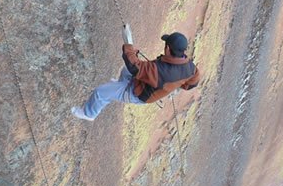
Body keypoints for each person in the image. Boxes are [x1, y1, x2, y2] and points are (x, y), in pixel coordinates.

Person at [71, 24, 200, 121]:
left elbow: (135, 67)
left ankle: (88, 114)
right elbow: (192, 83)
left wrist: (128, 43)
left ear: (167, 49)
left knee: (100, 93)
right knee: (126, 70)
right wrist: (175, 86)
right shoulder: (190, 68)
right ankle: (121, 85)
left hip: (137, 93)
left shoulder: (159, 72)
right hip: (146, 84)